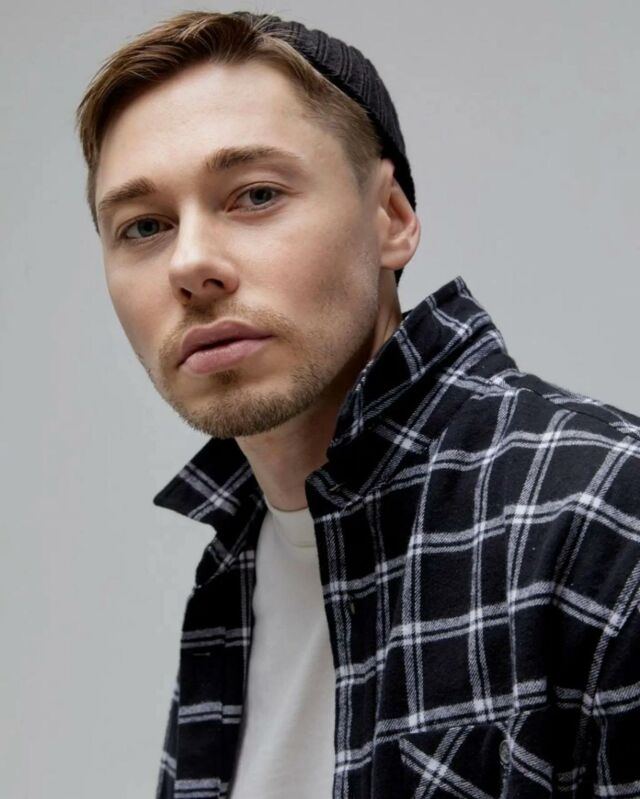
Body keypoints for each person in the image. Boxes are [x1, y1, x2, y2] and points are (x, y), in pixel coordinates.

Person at [74, 10, 640, 799]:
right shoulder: (237, 569)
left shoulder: (603, 512)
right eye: (143, 226)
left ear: (392, 218)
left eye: (256, 194)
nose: (191, 263)